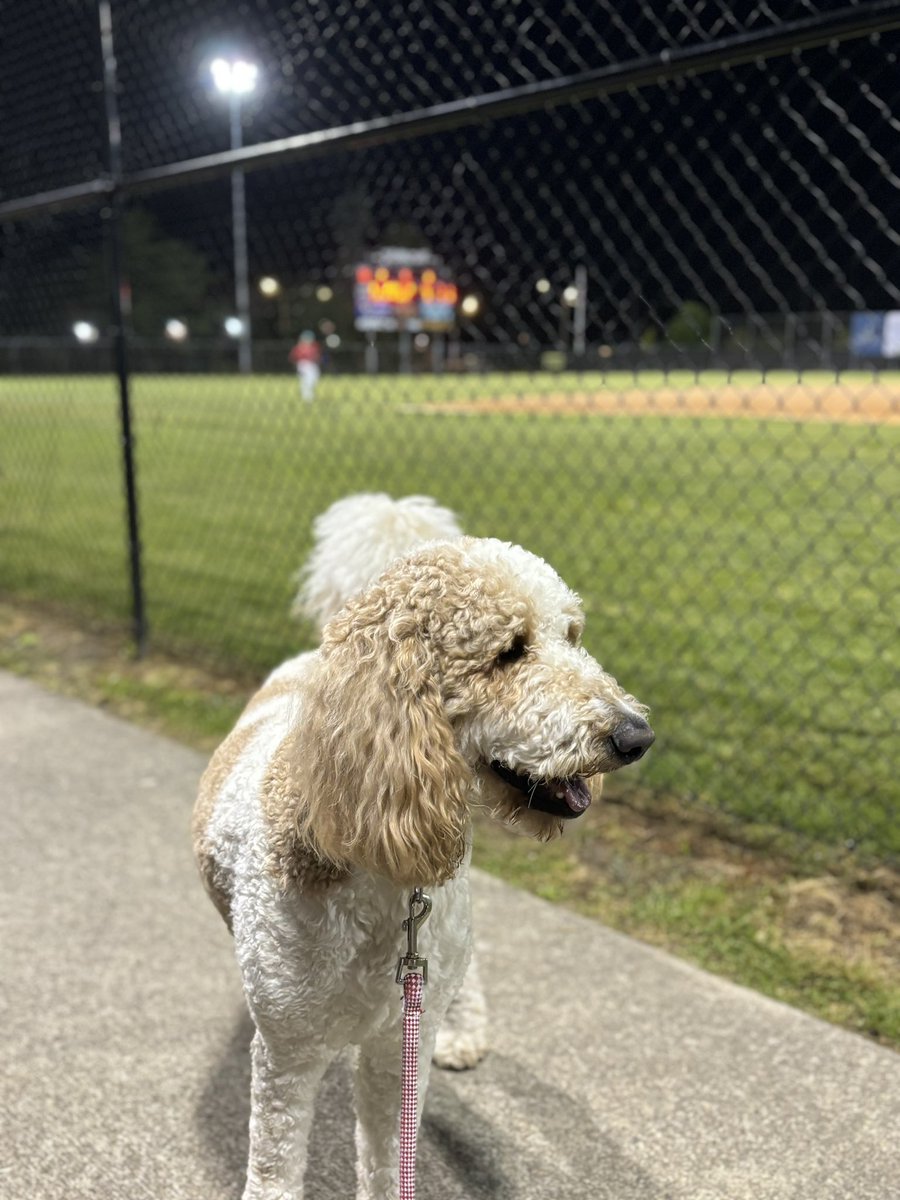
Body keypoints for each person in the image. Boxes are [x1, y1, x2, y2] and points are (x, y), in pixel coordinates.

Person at [289, 331, 322, 402]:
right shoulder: (299, 347)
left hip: (312, 365)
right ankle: (306, 396)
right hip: (303, 364)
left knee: (314, 379)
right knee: (306, 380)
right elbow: (293, 357)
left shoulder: (314, 346)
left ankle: (309, 394)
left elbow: (317, 356)